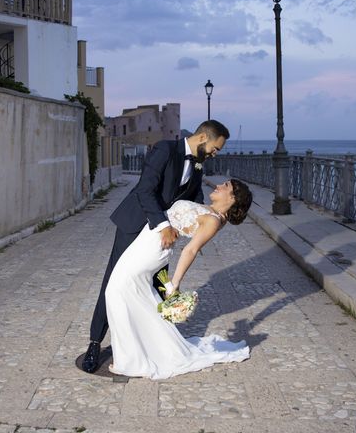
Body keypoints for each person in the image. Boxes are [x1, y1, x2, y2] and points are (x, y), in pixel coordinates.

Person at [81, 120, 230, 374]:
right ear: (203, 137)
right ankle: (95, 343)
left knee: (159, 286)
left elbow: (194, 199)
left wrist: (200, 232)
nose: (217, 153)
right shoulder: (164, 149)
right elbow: (144, 190)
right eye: (216, 147)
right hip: (138, 223)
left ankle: (156, 342)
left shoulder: (197, 165)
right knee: (113, 283)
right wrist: (162, 225)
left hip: (162, 238)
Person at [105, 179, 253, 379]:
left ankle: (130, 360)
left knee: (114, 291)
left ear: (233, 198)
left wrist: (174, 283)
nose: (218, 185)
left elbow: (191, 250)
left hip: (153, 248)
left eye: (225, 186)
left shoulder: (213, 220)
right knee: (135, 295)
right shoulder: (208, 210)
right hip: (148, 239)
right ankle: (144, 349)